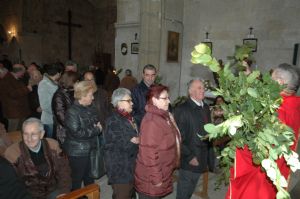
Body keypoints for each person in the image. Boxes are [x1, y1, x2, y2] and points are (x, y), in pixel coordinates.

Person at [226, 63, 300, 199]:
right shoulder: (294, 105)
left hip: (258, 177)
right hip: (279, 170)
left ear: (279, 82)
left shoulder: (276, 110)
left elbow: (255, 148)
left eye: (271, 79)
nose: (267, 83)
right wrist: (250, 77)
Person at [4, 118, 71, 199]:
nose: (29, 139)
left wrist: (64, 191)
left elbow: (64, 170)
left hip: (53, 189)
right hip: (28, 194)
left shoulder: (53, 145)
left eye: (33, 134)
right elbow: (11, 184)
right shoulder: (12, 153)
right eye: (26, 134)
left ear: (42, 134)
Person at [134, 84, 181, 199]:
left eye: (168, 98)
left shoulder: (163, 116)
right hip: (150, 179)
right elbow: (149, 154)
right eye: (165, 98)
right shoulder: (151, 122)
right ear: (154, 100)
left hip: (163, 171)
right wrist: (157, 179)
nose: (169, 101)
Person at [174, 79, 214, 199]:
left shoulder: (206, 107)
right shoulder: (182, 109)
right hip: (190, 159)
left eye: (203, 88)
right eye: (199, 88)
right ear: (191, 91)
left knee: (191, 191)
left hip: (202, 156)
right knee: (183, 193)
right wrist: (190, 156)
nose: (203, 90)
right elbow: (178, 137)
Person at [64, 80, 102, 190]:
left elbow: (95, 122)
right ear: (83, 96)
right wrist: (96, 129)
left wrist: (97, 126)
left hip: (90, 148)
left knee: (89, 178)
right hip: (78, 151)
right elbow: (77, 133)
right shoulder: (72, 112)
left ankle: (90, 196)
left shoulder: (91, 107)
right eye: (91, 95)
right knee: (76, 180)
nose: (93, 98)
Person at [104, 88, 140, 199]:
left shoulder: (129, 117)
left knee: (130, 193)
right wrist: (136, 141)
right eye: (128, 101)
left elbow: (134, 139)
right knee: (122, 195)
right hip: (120, 169)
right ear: (119, 102)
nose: (132, 103)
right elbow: (124, 146)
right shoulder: (113, 121)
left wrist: (136, 139)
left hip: (130, 166)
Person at [0, 64, 31, 131]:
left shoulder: (15, 78)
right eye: (23, 72)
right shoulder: (6, 80)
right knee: (13, 131)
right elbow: (12, 94)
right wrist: (27, 89)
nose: (23, 74)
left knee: (21, 130)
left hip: (19, 111)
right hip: (13, 113)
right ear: (19, 72)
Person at [52, 71, 79, 144]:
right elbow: (61, 116)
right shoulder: (59, 95)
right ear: (71, 81)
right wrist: (75, 127)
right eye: (77, 81)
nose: (78, 83)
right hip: (64, 133)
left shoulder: (70, 92)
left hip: (73, 130)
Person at [38, 63, 62, 138]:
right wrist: (58, 113)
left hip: (55, 120)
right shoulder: (44, 84)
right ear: (58, 73)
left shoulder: (54, 83)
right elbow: (45, 105)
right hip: (49, 120)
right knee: (50, 144)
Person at [131, 64, 157, 128]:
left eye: (152, 75)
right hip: (142, 125)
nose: (150, 78)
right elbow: (132, 111)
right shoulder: (135, 90)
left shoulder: (158, 89)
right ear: (143, 75)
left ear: (155, 76)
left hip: (156, 125)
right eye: (147, 75)